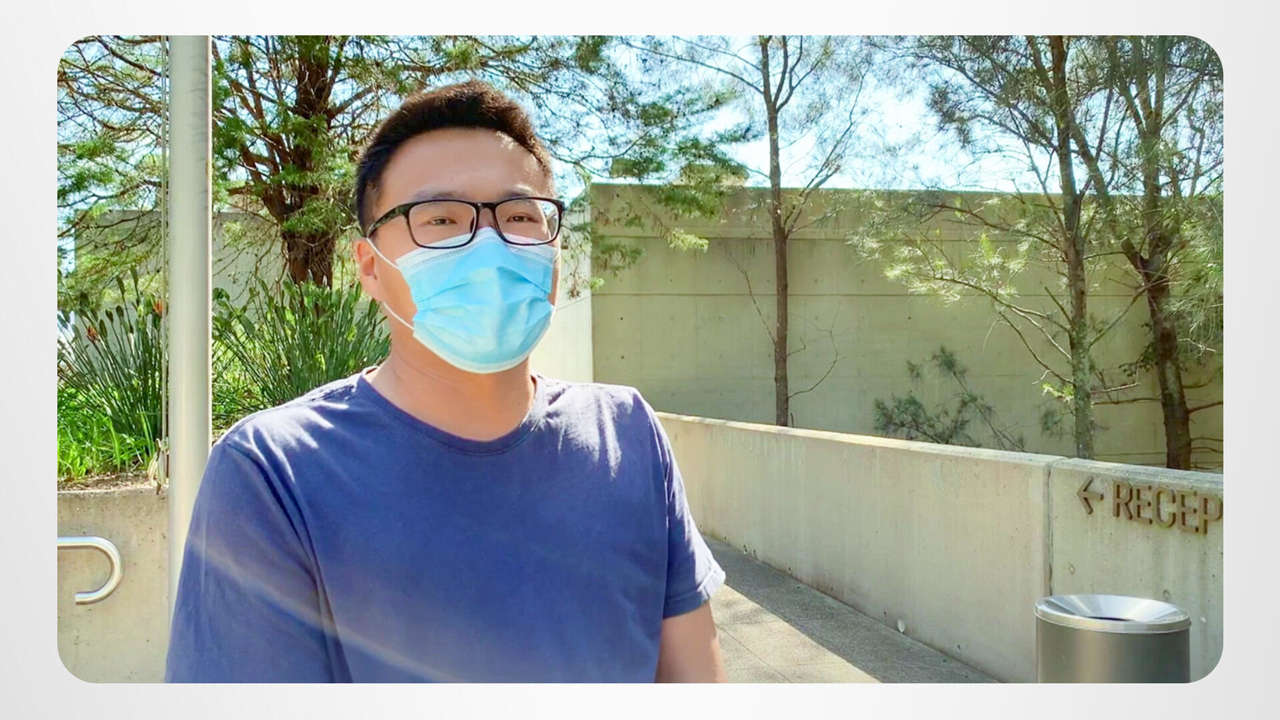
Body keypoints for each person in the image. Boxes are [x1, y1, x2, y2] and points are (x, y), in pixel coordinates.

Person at [164, 80, 727, 682]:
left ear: (556, 255)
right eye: (439, 218)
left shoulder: (628, 435)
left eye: (519, 216)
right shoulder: (273, 474)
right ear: (370, 268)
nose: (488, 243)